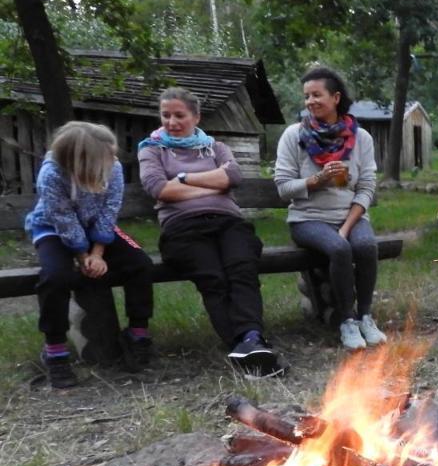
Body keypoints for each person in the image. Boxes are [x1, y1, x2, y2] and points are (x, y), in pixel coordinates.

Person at [138, 87, 285, 377]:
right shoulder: (151, 148)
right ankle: (242, 345)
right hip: (182, 230)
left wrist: (183, 179)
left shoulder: (215, 147)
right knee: (213, 277)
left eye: (179, 115)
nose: (171, 122)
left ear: (195, 116)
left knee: (241, 269)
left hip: (228, 222)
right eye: (165, 115)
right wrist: (212, 184)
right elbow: (159, 189)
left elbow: (233, 176)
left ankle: (253, 338)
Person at [25, 122, 155, 388]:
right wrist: (84, 257)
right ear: (81, 159)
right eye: (106, 156)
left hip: (96, 226)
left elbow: (109, 211)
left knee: (140, 263)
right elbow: (63, 219)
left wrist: (98, 252)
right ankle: (55, 350)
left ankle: (137, 333)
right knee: (55, 276)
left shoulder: (114, 167)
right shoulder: (51, 174)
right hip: (53, 228)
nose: (113, 160)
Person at [274, 65, 385, 351]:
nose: (310, 102)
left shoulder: (361, 139)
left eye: (316, 95)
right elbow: (283, 187)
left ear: (335, 98)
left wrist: (347, 227)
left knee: (365, 246)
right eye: (306, 96)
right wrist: (316, 180)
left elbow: (367, 188)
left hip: (350, 216)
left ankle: (365, 316)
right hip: (307, 219)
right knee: (338, 249)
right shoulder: (293, 135)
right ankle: (346, 321)